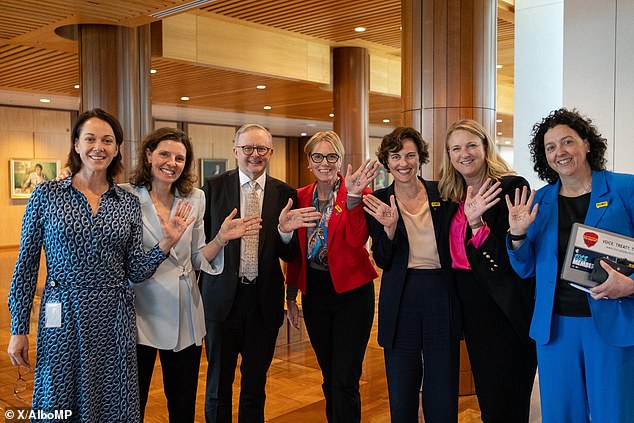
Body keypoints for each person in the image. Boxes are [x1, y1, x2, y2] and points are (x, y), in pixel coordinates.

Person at [7, 108, 193, 421]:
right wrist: (18, 329)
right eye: (90, 138)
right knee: (58, 398)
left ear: (117, 148)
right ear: (76, 144)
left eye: (108, 140)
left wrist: (166, 243)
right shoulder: (47, 194)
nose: (99, 146)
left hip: (114, 318)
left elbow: (134, 270)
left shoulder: (126, 202)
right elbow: (25, 266)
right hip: (63, 314)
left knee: (112, 401)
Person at [120, 127, 262, 422]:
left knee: (183, 406)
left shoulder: (194, 197)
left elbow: (198, 257)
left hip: (184, 312)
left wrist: (221, 238)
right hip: (138, 314)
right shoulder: (124, 196)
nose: (172, 162)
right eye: (164, 154)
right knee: (132, 405)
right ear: (148, 155)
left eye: (180, 158)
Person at [506, 108, 634, 423]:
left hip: (610, 322)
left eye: (567, 142)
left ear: (587, 144)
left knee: (614, 413)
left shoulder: (624, 189)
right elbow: (525, 268)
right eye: (550, 147)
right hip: (556, 328)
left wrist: (631, 284)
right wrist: (517, 235)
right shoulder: (539, 201)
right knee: (561, 415)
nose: (559, 152)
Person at [201, 123, 320, 423]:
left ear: (271, 152)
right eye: (247, 148)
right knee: (217, 387)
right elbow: (200, 249)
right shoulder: (212, 189)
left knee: (255, 388)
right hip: (221, 303)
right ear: (235, 151)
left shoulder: (286, 194)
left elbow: (290, 255)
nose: (255, 155)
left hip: (262, 303)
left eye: (261, 149)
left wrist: (283, 232)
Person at [438, 119, 536, 423]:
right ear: (449, 155)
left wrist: (477, 224)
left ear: (485, 148)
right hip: (468, 304)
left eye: (471, 145)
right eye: (456, 148)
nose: (464, 153)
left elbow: (511, 261)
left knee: (506, 398)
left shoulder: (510, 187)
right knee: (489, 398)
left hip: (503, 305)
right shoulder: (448, 194)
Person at [363, 127, 460, 423]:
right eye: (396, 156)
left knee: (442, 386)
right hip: (401, 296)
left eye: (410, 155)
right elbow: (382, 260)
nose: (403, 162)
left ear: (420, 158)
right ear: (387, 162)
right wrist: (389, 231)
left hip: (440, 293)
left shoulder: (442, 193)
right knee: (402, 388)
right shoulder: (378, 201)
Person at [284, 131, 379, 422]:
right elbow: (297, 254)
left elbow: (355, 241)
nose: (325, 162)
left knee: (345, 378)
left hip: (352, 293)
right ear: (309, 161)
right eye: (318, 156)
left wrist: (351, 200)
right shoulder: (300, 197)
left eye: (331, 156)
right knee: (328, 376)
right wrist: (290, 296)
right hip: (315, 294)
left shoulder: (358, 194)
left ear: (339, 160)